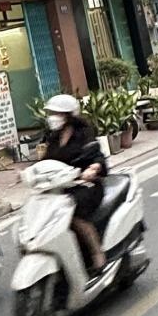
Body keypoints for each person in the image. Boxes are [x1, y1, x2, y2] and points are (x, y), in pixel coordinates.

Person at [40, 93, 109, 275]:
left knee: (73, 213)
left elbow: (98, 157)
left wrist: (93, 169)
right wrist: (29, 173)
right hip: (60, 187)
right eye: (51, 113)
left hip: (85, 185)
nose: (52, 117)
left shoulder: (84, 133)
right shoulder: (54, 137)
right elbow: (45, 161)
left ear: (69, 115)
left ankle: (96, 253)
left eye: (57, 113)